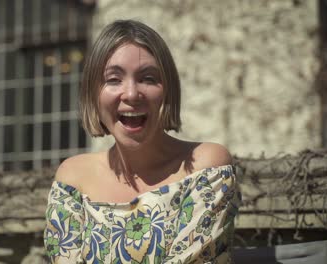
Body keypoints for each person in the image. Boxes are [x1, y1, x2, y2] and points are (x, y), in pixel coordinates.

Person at [44, 19, 241, 263]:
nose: (131, 94)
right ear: (93, 94)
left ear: (167, 91)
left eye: (148, 78)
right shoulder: (72, 179)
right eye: (113, 79)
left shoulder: (207, 168)